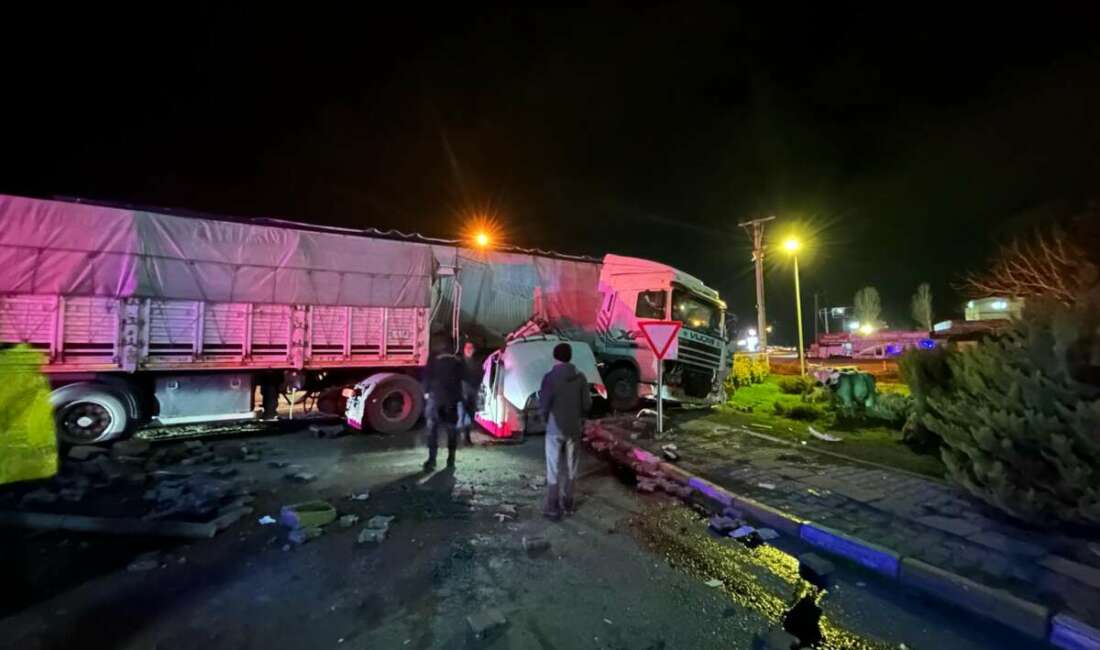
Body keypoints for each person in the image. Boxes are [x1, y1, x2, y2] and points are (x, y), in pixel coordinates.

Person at [538, 342, 592, 521]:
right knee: (572, 465)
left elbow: (544, 405)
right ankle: (568, 502)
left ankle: (552, 505)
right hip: (574, 428)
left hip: (554, 428)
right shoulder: (581, 377)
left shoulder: (549, 377)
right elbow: (587, 405)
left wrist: (545, 419)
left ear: (555, 357)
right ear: (570, 357)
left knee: (553, 466)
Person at [423, 338, 464, 471]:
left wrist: (426, 392)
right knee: (451, 431)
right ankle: (451, 460)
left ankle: (431, 460)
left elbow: (426, 377)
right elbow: (463, 380)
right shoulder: (458, 361)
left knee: (432, 431)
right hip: (451, 401)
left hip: (436, 400)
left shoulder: (433, 359)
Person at [458, 340, 483, 444]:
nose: (468, 350)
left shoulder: (477, 362)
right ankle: (460, 438)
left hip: (473, 392)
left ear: (474, 350)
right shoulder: (459, 362)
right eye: (467, 348)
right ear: (463, 350)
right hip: (461, 392)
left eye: (470, 348)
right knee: (461, 415)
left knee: (470, 415)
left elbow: (480, 375)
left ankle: (467, 438)